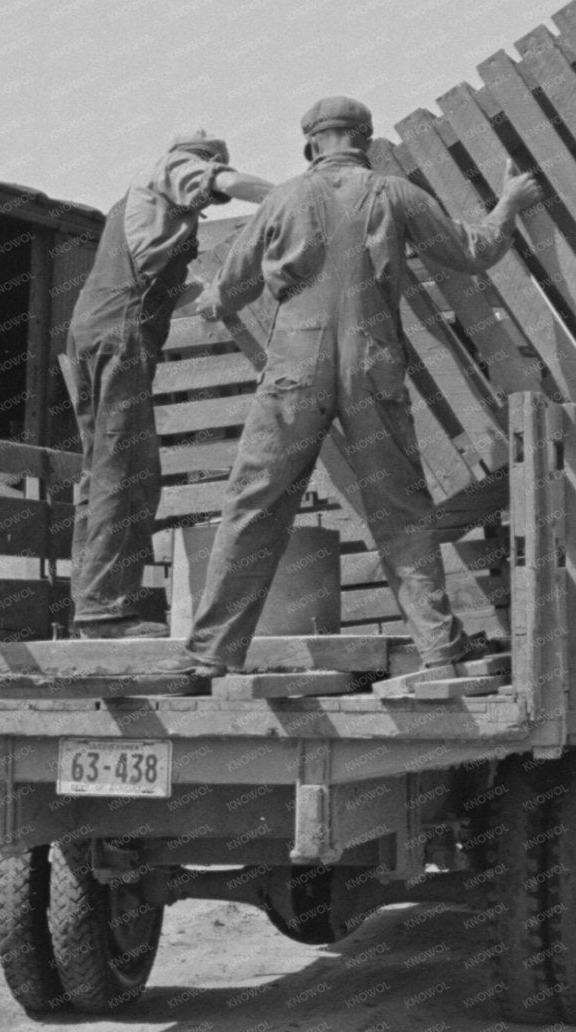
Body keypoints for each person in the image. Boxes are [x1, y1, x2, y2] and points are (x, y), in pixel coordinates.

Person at [166, 96, 542, 678]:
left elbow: (231, 289)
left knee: (254, 506)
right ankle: (440, 648)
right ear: (363, 140)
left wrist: (211, 301)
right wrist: (510, 204)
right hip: (372, 365)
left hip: (295, 368)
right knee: (399, 509)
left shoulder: (284, 197)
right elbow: (473, 252)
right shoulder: (395, 193)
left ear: (313, 144)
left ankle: (211, 654)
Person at [64, 132, 274, 639]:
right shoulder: (174, 169)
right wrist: (291, 198)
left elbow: (183, 292)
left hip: (96, 332)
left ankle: (93, 602)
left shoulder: (139, 215)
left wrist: (224, 292)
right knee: (129, 468)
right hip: (121, 333)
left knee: (102, 470)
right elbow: (226, 182)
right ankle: (106, 612)